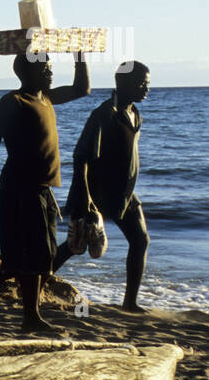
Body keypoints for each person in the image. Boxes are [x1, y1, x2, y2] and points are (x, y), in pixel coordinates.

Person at [0, 51, 90, 332]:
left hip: (43, 188)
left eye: (50, 67)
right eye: (45, 68)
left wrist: (79, 54)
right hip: (19, 188)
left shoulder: (47, 98)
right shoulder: (13, 102)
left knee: (35, 257)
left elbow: (83, 89)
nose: (50, 73)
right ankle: (30, 318)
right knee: (33, 255)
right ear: (28, 73)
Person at [54, 61, 152, 312]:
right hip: (98, 193)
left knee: (140, 240)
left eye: (148, 84)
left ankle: (130, 303)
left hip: (124, 193)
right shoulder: (104, 114)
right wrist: (86, 198)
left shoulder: (135, 114)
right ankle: (29, 284)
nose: (146, 89)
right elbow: (81, 157)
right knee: (75, 247)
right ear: (124, 83)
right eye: (142, 84)